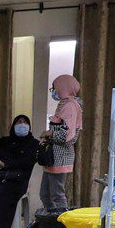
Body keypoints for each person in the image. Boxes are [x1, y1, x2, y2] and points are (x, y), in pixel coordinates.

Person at [40, 74, 82, 210]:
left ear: (63, 87)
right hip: (53, 157)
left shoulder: (70, 106)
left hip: (61, 158)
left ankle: (61, 226)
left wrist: (50, 133)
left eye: (55, 87)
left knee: (57, 195)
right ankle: (51, 222)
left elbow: (68, 137)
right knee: (45, 194)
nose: (54, 91)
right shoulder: (63, 104)